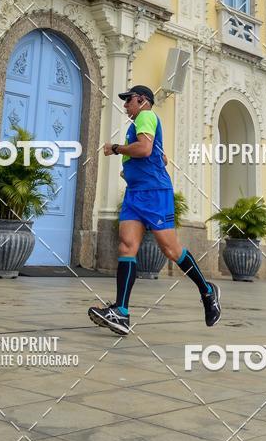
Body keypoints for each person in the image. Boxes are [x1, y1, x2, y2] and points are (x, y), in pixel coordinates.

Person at [88, 85, 221, 335]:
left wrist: (115, 148)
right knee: (127, 246)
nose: (126, 105)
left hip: (154, 194)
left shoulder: (147, 116)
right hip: (135, 194)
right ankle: (122, 313)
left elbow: (145, 149)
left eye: (129, 100)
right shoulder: (136, 125)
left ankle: (207, 291)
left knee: (171, 249)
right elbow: (153, 153)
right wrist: (128, 169)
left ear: (142, 100)